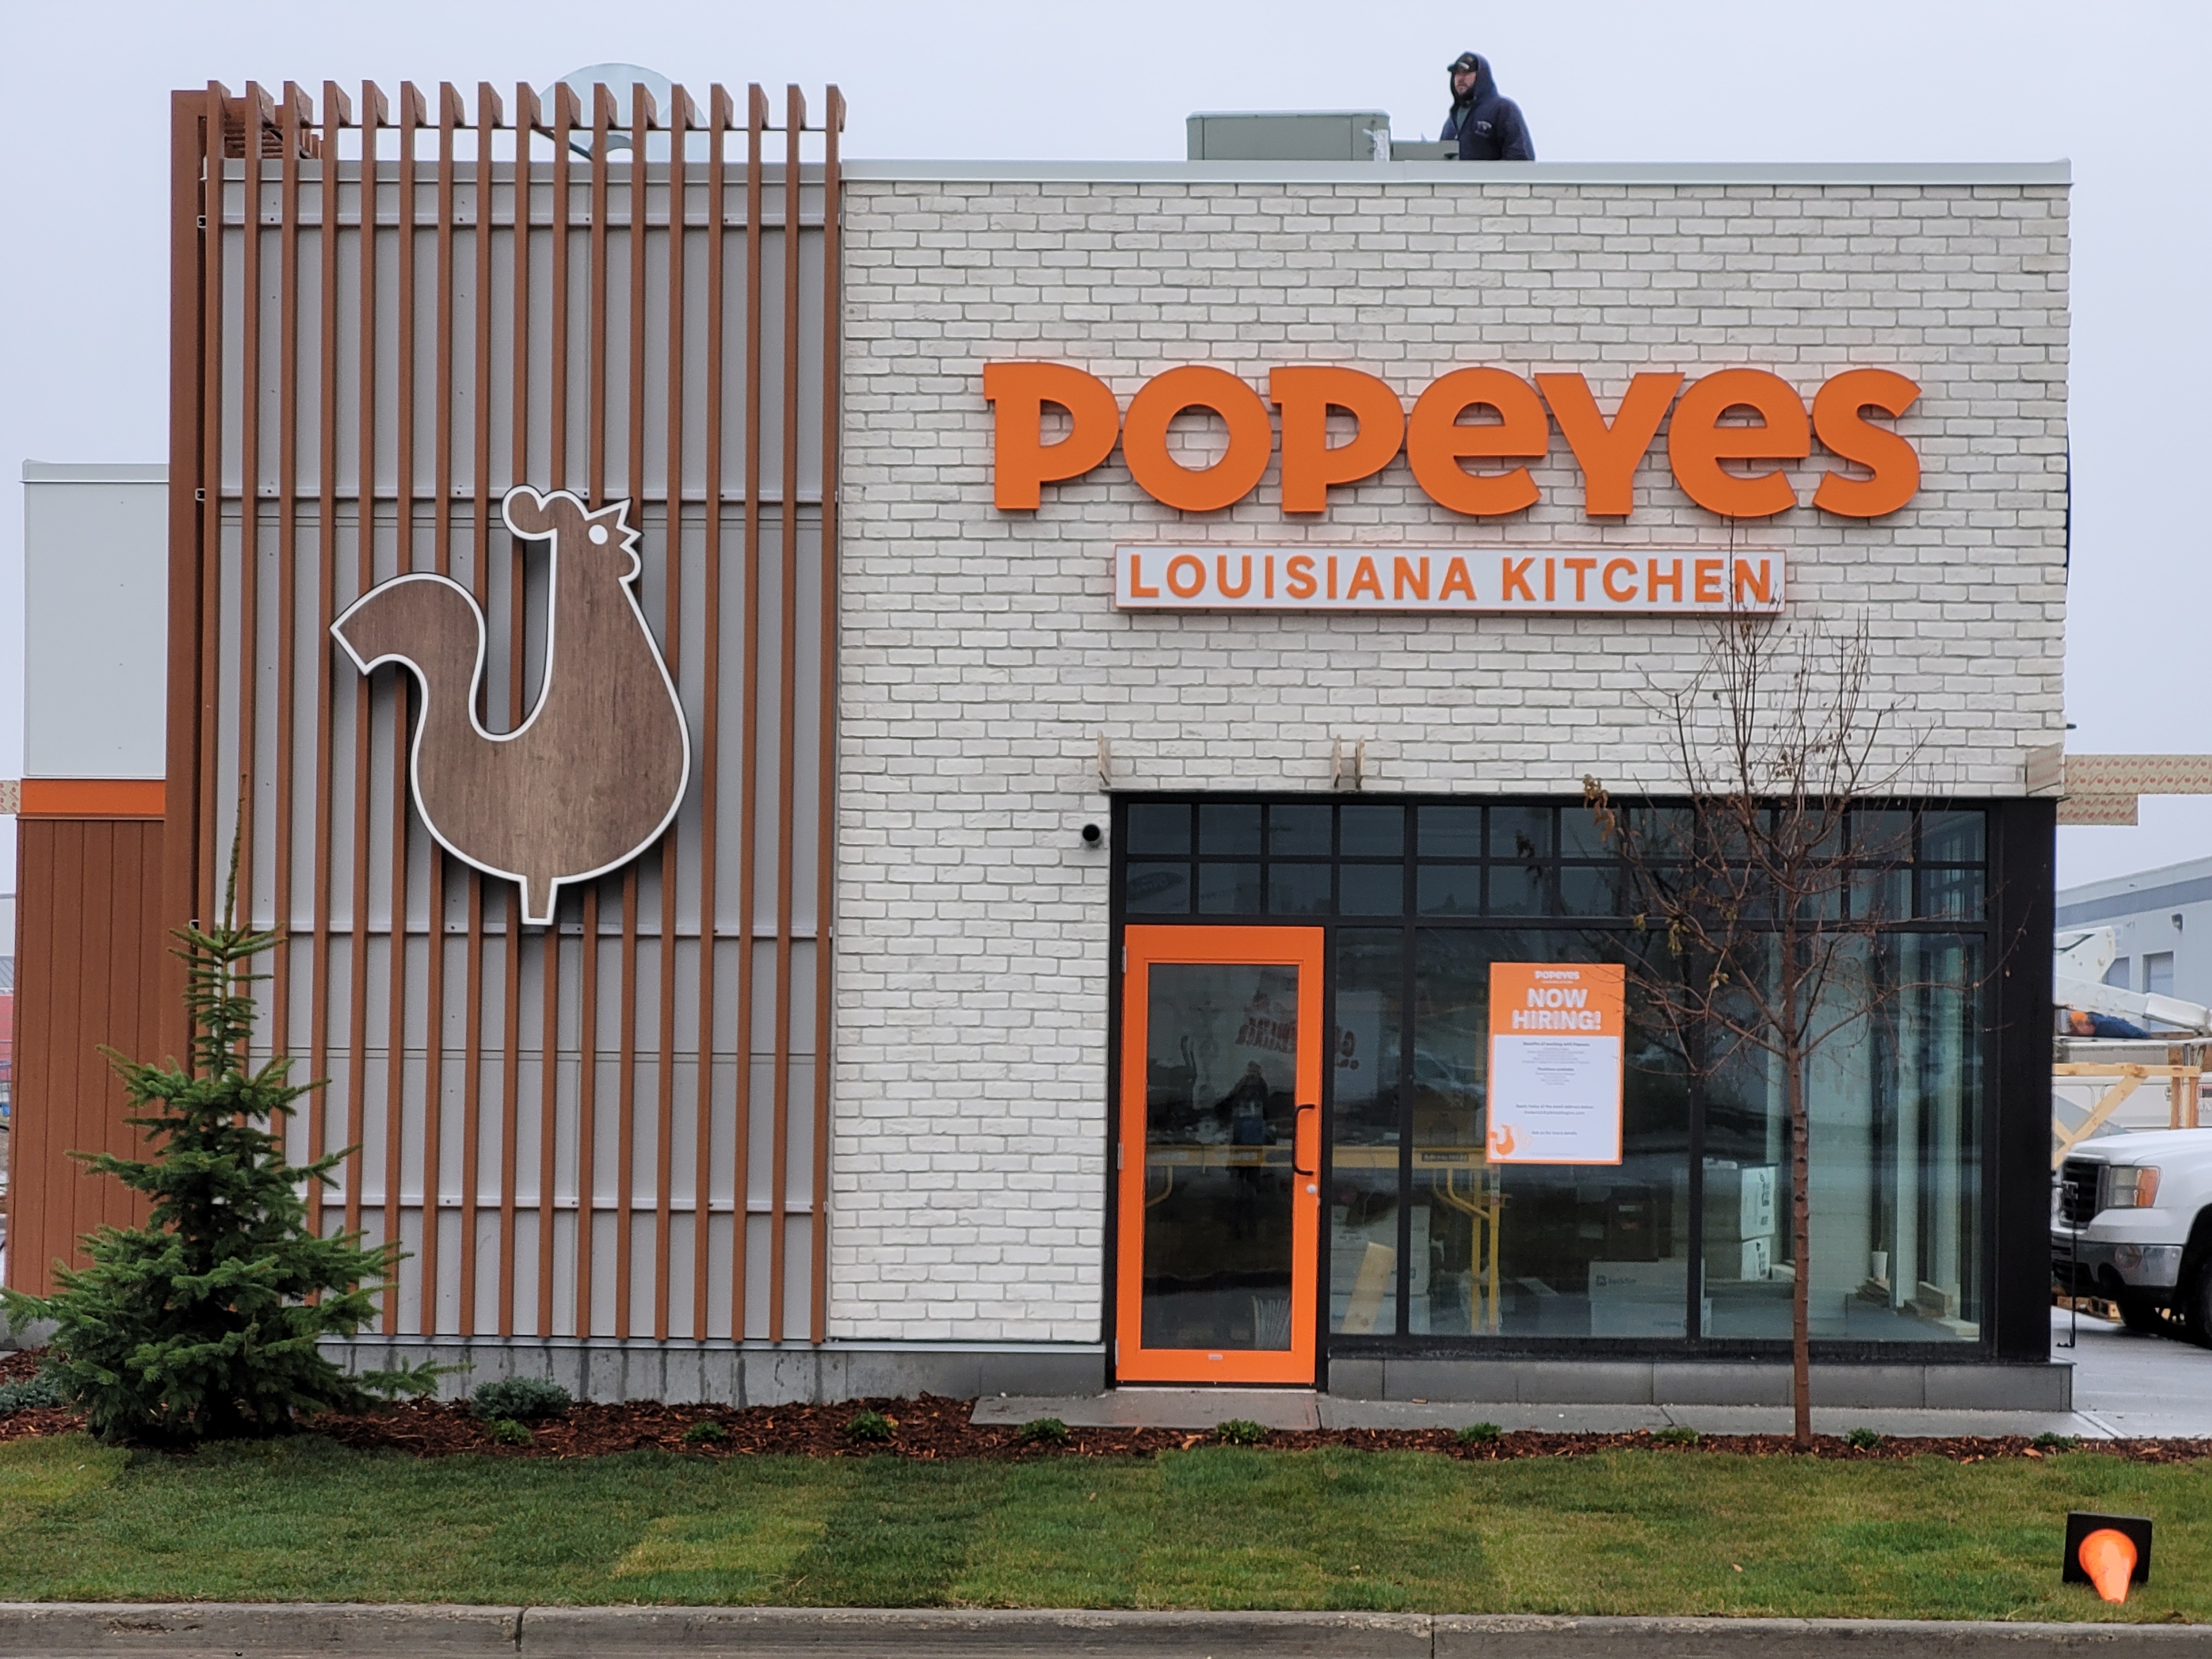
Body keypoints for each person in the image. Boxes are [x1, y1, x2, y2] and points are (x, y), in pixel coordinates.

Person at [1440, 51, 1534, 161]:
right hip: (1454, 173)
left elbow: (1520, 156)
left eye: (1466, 73)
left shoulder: (1503, 109)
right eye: (1457, 73)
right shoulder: (1452, 120)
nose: (1460, 78)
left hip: (1492, 173)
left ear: (1481, 76)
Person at [2066, 1007, 2153, 1040]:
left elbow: (2131, 1031)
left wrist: (2146, 1038)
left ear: (2087, 1024)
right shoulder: (2094, 1028)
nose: (2075, 1034)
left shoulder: (2108, 1025)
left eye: (2076, 1030)